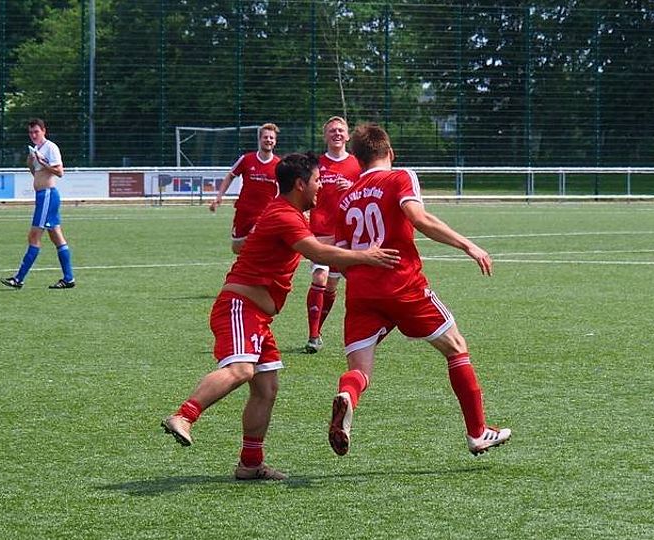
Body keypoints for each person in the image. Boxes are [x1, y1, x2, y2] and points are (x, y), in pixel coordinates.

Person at [162, 152, 400, 481]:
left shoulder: (289, 214)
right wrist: (365, 255)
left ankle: (250, 464)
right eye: (317, 181)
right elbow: (317, 251)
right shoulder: (284, 215)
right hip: (240, 307)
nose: (321, 187)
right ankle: (184, 416)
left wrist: (355, 244)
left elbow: (317, 242)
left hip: (258, 316)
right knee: (242, 369)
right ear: (300, 184)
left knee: (267, 388)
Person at [328, 122, 511, 457]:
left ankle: (347, 396)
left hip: (361, 292)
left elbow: (339, 258)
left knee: (359, 372)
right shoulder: (400, 176)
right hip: (402, 285)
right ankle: (477, 432)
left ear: (357, 159)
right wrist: (468, 245)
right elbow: (419, 218)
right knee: (456, 347)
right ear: (390, 152)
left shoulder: (345, 198)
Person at [303, 116, 361, 353]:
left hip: (347, 234)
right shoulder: (316, 164)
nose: (337, 133)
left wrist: (353, 188)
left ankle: (318, 330)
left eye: (340, 130)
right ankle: (312, 336)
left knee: (331, 287)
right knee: (320, 278)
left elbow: (368, 191)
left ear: (347, 136)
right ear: (325, 136)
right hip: (320, 232)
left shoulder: (357, 164)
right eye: (332, 131)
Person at [0, 118, 75, 289]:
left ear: (43, 131)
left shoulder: (50, 147)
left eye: (36, 132)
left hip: (48, 195)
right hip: (43, 196)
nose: (33, 135)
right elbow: (37, 175)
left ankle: (18, 279)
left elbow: (59, 172)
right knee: (56, 237)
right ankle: (69, 278)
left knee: (34, 236)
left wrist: (42, 162)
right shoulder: (37, 149)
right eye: (31, 132)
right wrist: (31, 164)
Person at [209, 123, 281, 254]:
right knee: (237, 248)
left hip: (264, 214)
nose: (268, 140)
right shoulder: (246, 159)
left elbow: (285, 190)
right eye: (265, 137)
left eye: (271, 138)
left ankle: (257, 264)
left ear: (275, 142)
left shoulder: (279, 165)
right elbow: (230, 176)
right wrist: (219, 197)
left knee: (258, 244)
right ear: (260, 139)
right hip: (244, 212)